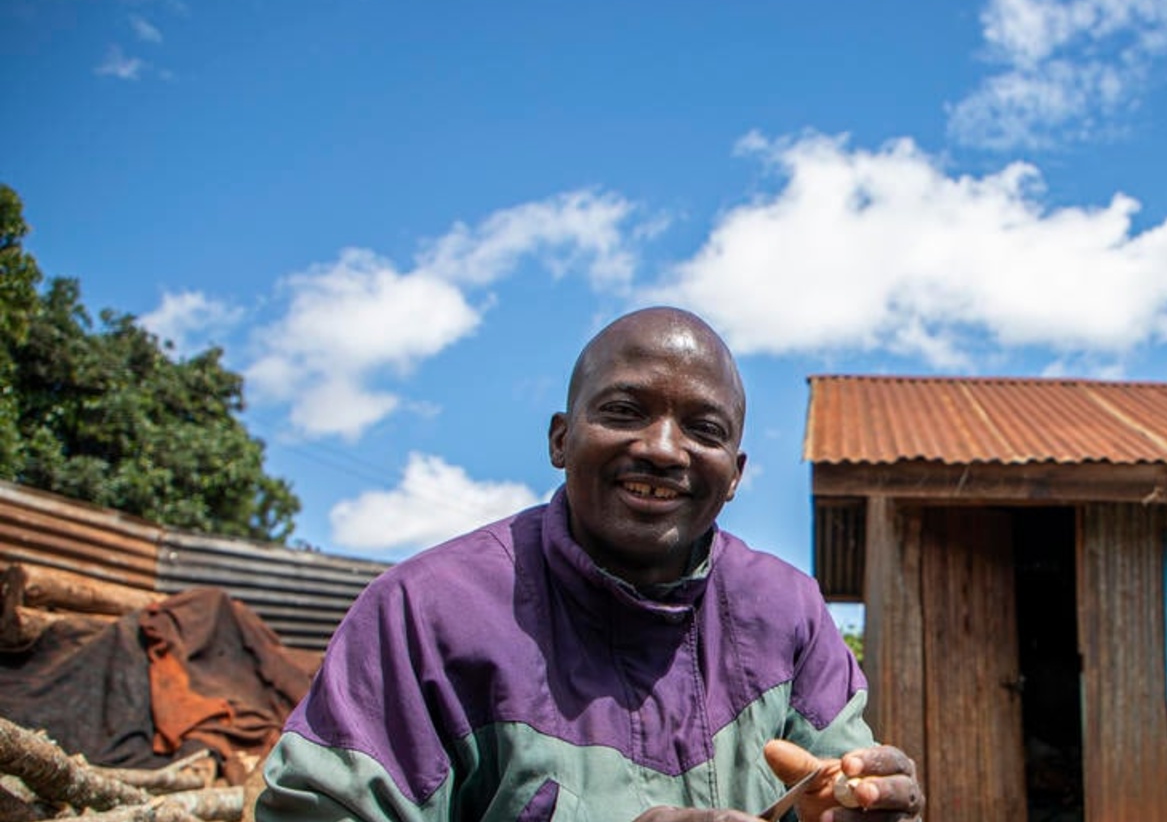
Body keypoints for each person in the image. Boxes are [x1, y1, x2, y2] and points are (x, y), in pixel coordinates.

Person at [256, 307, 924, 822]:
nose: (664, 448)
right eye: (624, 411)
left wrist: (858, 800)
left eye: (704, 429)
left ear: (735, 475)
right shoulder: (424, 615)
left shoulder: (788, 612)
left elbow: (835, 779)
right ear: (560, 437)